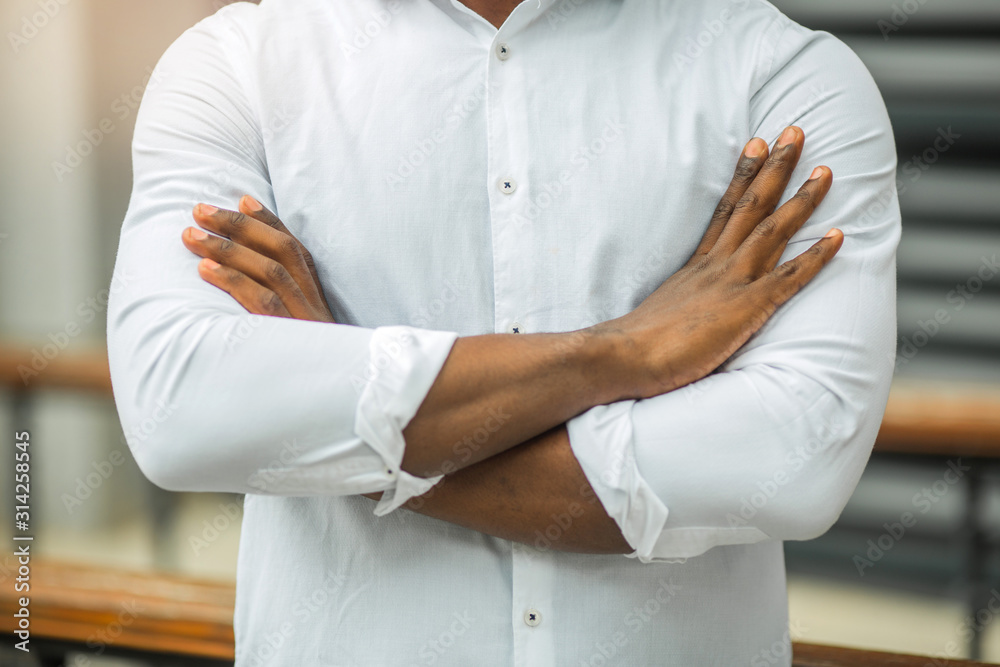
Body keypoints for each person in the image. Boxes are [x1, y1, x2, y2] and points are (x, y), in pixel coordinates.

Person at [107, 0, 900, 664]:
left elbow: (793, 457)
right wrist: (621, 351)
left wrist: (352, 413)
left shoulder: (784, 76)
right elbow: (181, 408)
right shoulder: (238, 63)